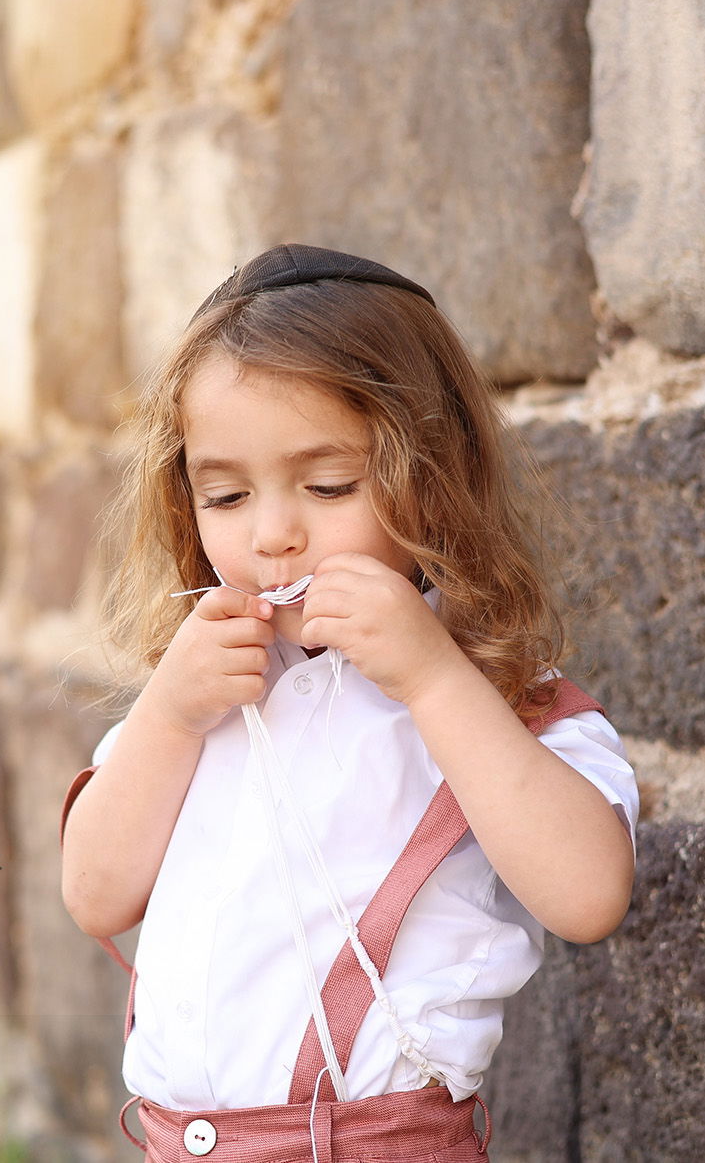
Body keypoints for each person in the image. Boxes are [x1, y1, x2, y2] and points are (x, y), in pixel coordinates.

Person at [59, 243, 639, 1162]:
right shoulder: (199, 702)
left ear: (435, 483)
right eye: (226, 494)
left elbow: (588, 893)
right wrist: (168, 716)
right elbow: (95, 895)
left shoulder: (491, 705)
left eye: (329, 486)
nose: (273, 534)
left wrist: (434, 675)